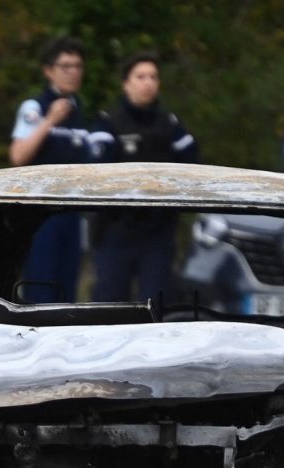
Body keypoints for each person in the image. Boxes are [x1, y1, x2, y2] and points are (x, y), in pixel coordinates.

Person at [87, 52, 199, 303]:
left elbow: (193, 167)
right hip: (116, 230)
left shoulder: (169, 124)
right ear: (126, 83)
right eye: (140, 76)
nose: (148, 82)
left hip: (157, 232)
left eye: (153, 77)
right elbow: (98, 174)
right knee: (110, 306)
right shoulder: (109, 124)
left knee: (157, 306)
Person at [9, 36, 92, 303]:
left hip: (73, 212)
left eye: (77, 66)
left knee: (67, 291)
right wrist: (50, 121)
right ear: (49, 70)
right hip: (41, 214)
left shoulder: (81, 113)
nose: (72, 72)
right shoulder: (35, 107)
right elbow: (18, 155)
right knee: (40, 288)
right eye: (65, 66)